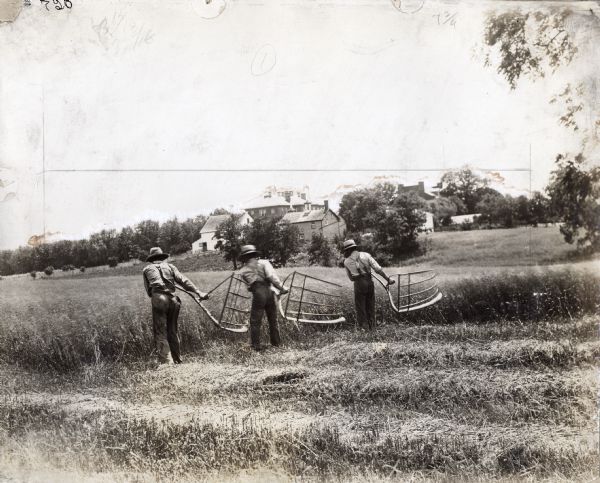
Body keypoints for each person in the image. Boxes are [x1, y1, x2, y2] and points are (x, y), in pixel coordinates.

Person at [142, 247, 209, 365]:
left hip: (159, 299)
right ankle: (177, 360)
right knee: (172, 330)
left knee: (160, 331)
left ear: (152, 259)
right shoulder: (170, 267)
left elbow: (148, 291)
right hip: (174, 300)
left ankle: (167, 363)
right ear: (163, 257)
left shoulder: (147, 269)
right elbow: (184, 281)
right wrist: (198, 292)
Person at [237, 245, 289, 351]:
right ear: (254, 254)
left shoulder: (243, 270)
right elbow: (271, 277)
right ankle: (276, 344)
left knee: (255, 321)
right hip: (269, 292)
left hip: (258, 294)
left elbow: (249, 288)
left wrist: (258, 288)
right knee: (273, 320)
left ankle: (256, 346)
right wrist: (282, 288)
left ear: (245, 257)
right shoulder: (264, 263)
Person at [343, 239, 395, 330]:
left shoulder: (346, 262)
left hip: (359, 284)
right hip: (369, 282)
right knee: (370, 305)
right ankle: (372, 328)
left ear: (348, 250)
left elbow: (351, 279)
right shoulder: (366, 255)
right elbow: (378, 269)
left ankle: (364, 329)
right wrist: (388, 279)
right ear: (355, 247)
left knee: (360, 307)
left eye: (345, 250)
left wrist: (359, 275)